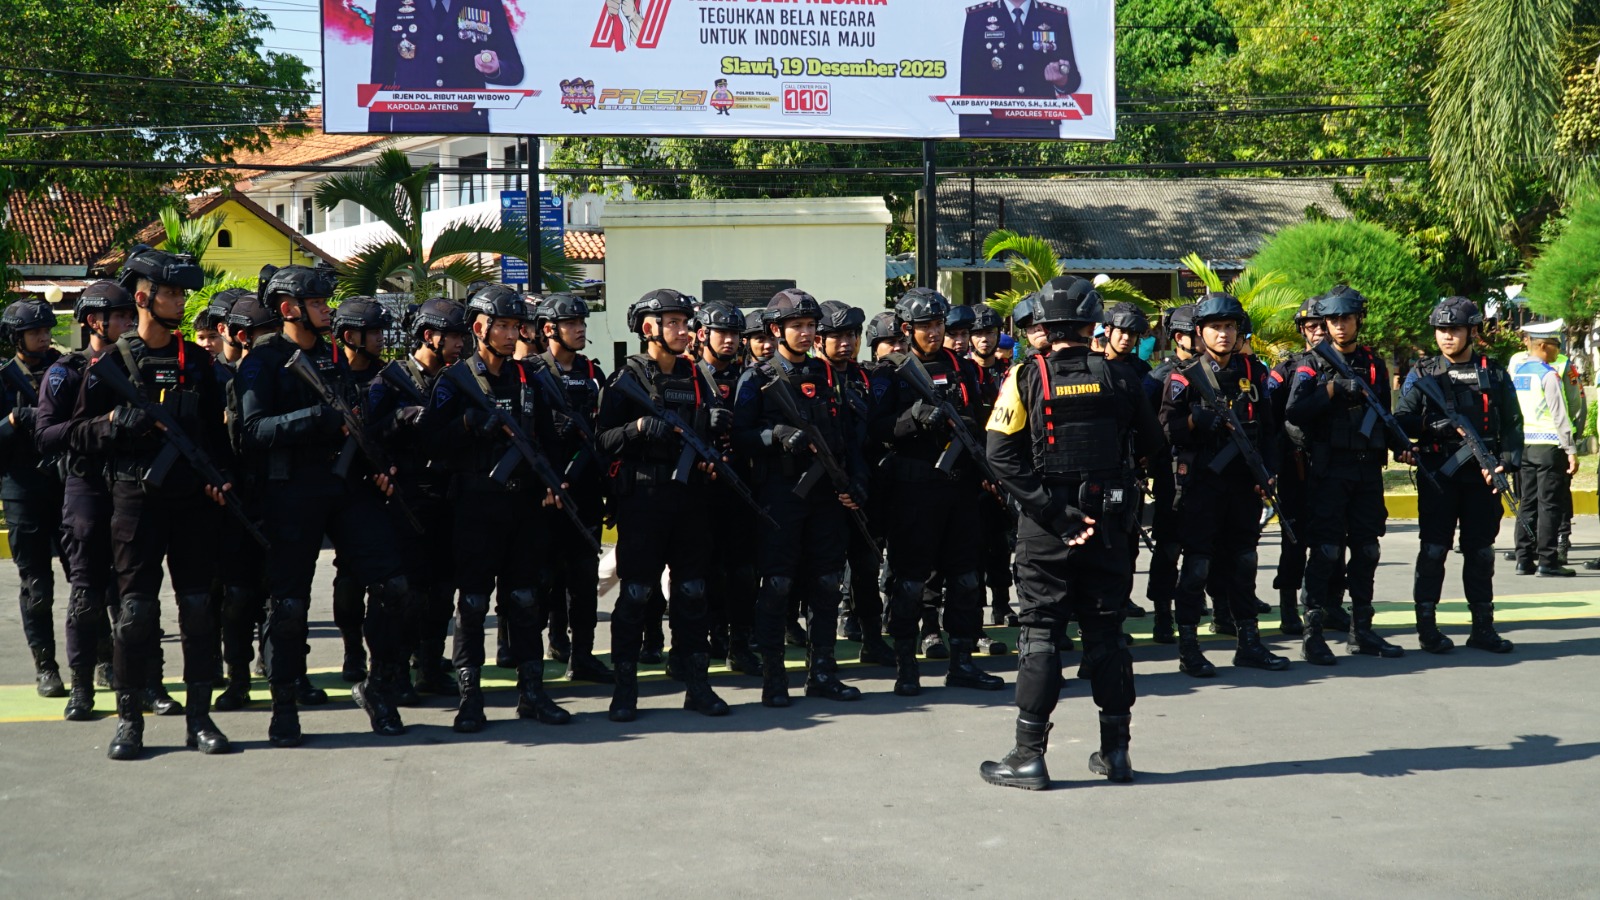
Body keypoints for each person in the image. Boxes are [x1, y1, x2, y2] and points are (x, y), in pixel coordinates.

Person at [978, 277, 1161, 790]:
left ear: (1044, 324)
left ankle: (1028, 756)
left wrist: (1053, 512)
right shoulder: (1121, 376)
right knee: (1107, 634)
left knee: (1039, 633)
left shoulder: (1024, 376)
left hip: (1047, 530)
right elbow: (1154, 443)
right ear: (1092, 324)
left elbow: (999, 455)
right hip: (1108, 524)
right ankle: (1117, 753)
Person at [237, 265, 414, 746]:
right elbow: (253, 430)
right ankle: (284, 705)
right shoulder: (264, 361)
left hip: (346, 484)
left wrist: (379, 460)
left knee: (393, 585)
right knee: (289, 604)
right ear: (289, 309)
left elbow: (357, 420)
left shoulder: (334, 357)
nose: (326, 310)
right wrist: (316, 417)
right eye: (317, 303)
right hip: (291, 490)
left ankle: (379, 688)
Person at [68, 247, 233, 759]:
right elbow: (74, 433)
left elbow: (215, 437)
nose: (181, 301)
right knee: (136, 613)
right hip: (135, 500)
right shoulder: (110, 363)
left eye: (182, 293)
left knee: (199, 609)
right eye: (172, 293)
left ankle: (199, 718)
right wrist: (114, 425)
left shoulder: (198, 362)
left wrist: (222, 478)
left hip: (192, 501)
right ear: (143, 299)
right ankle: (129, 721)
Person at [420, 285, 571, 732]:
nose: (510, 334)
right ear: (480, 327)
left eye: (515, 326)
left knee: (525, 600)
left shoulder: (530, 378)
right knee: (472, 603)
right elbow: (429, 442)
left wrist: (553, 481)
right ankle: (471, 697)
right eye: (502, 326)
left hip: (524, 506)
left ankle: (532, 693)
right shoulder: (455, 380)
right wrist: (469, 425)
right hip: (475, 507)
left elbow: (550, 438)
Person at [595, 289, 732, 721]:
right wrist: (636, 428)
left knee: (692, 592)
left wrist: (713, 445)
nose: (683, 330)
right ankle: (625, 689)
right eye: (673, 322)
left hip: (690, 500)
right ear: (648, 327)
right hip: (644, 500)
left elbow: (709, 438)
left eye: (685, 323)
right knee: (636, 594)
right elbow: (602, 441)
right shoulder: (626, 379)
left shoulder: (697, 376)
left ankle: (697, 684)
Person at [734, 290, 870, 705]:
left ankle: (822, 672)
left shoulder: (826, 374)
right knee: (777, 585)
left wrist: (856, 481)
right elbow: (739, 438)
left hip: (826, 494)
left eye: (811, 326)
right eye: (798, 326)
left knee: (827, 583)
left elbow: (848, 437)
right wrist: (774, 435)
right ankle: (774, 676)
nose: (807, 333)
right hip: (781, 494)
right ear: (777, 330)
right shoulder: (756, 378)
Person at [870, 287, 1005, 696]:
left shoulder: (963, 367)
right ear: (906, 329)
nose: (934, 332)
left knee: (966, 578)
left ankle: (962, 661)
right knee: (910, 582)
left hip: (960, 488)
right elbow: (875, 430)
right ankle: (906, 665)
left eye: (938, 324)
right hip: (914, 491)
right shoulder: (891, 371)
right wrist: (913, 419)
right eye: (925, 325)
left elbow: (981, 419)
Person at [1159, 293, 1290, 677]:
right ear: (1199, 332)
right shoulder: (1184, 376)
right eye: (1215, 327)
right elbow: (1166, 430)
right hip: (1202, 484)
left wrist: (1268, 471)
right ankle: (1188, 647)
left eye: (1229, 326)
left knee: (1244, 561)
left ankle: (1248, 642)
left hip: (1242, 484)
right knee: (1197, 566)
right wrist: (1194, 422)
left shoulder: (1254, 371)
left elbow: (1269, 428)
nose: (1223, 334)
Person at [1285, 286, 1408, 665]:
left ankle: (1362, 629)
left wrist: (1401, 445)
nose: (1340, 326)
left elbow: (1384, 414)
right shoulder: (1312, 363)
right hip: (1329, 471)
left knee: (1367, 549)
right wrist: (1332, 389)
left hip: (1366, 469)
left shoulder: (1373, 364)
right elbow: (1294, 411)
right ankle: (1313, 634)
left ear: (1358, 320)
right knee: (1325, 551)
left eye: (1346, 318)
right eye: (1333, 320)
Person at [1395, 297, 1519, 653]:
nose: (1447, 336)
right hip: (1440, 473)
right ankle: (1427, 629)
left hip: (1481, 474)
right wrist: (1429, 426)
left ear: (1471, 331)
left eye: (1454, 329)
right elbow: (1401, 420)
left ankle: (1482, 628)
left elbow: (1513, 423)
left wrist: (1506, 462)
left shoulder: (1494, 373)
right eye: (1441, 330)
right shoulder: (1423, 373)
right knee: (1434, 550)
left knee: (1481, 553)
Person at [34, 282, 134, 719]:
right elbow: (46, 434)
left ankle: (142, 682)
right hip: (86, 487)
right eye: (121, 316)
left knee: (135, 596)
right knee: (86, 593)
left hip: (131, 485)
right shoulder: (66, 372)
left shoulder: (137, 365)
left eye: (131, 315)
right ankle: (81, 687)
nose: (129, 323)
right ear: (95, 321)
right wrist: (103, 424)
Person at [370, 298, 470, 699]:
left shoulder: (457, 379)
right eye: (454, 336)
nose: (460, 343)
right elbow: (368, 435)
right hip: (407, 496)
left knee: (443, 588)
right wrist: (400, 419)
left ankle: (429, 665)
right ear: (429, 336)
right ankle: (396, 671)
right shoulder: (389, 380)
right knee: (408, 591)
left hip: (447, 492)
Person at [536, 292, 615, 684]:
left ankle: (582, 654)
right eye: (571, 323)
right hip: (545, 490)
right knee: (542, 577)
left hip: (585, 489)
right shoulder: (532, 372)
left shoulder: (592, 372)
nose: (580, 329)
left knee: (584, 577)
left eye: (582, 322)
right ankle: (537, 651)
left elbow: (605, 430)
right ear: (550, 329)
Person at [0, 297, 66, 698]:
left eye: (46, 331)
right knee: (37, 586)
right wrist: (13, 420)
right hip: (23, 489)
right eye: (34, 332)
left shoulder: (66, 369)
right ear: (15, 337)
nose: (43, 337)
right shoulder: (4, 379)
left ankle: (101, 659)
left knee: (91, 580)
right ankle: (46, 667)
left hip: (68, 484)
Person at [695, 301, 763, 676]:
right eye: (723, 332)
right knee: (703, 572)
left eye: (736, 334)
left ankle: (739, 643)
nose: (731, 340)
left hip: (741, 488)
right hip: (700, 489)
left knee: (742, 573)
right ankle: (706, 639)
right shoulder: (689, 376)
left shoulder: (750, 378)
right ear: (703, 334)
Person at [367, 0, 525, 133]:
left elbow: (515, 70)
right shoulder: (390, 2)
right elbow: (381, 75)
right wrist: (377, 135)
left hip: (468, 127)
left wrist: (495, 69)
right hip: (411, 127)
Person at [1143, 302, 1196, 645]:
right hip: (1171, 472)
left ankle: (1212, 607)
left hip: (1208, 471)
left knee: (1204, 548)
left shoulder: (1214, 371)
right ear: (1179, 337)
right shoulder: (1158, 378)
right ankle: (1163, 613)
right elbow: (1146, 426)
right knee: (1169, 547)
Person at [1509, 320, 1579, 577]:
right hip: (1549, 446)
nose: (1558, 350)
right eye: (1555, 345)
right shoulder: (1548, 375)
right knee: (1549, 504)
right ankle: (1548, 561)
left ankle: (1523, 558)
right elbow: (1560, 414)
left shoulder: (1519, 373)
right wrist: (1570, 449)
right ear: (1542, 346)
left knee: (1527, 502)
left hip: (1525, 446)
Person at [958, 0, 1080, 138]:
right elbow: (969, 85)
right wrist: (969, 137)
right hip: (993, 128)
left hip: (1041, 126)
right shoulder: (978, 18)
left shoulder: (1055, 17)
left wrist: (1062, 80)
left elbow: (1074, 80)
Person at [968, 302, 1019, 628]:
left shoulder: (1010, 373)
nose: (984, 339)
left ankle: (1002, 604)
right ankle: (973, 612)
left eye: (989, 332)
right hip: (972, 471)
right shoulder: (962, 373)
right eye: (978, 333)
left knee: (1001, 546)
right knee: (972, 548)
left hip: (1005, 472)